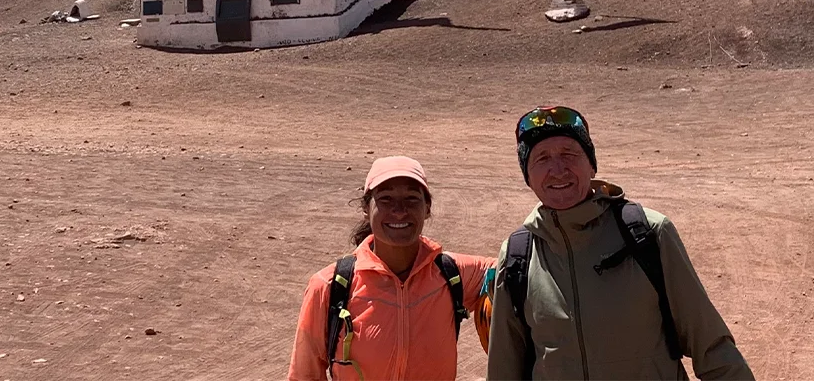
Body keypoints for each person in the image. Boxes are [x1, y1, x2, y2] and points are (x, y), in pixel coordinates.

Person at [487, 106, 754, 380]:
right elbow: (504, 369)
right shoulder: (518, 254)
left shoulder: (648, 233)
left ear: (591, 164)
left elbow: (712, 347)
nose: (558, 169)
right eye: (542, 158)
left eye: (569, 153)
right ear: (527, 176)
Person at [288, 156, 495, 380]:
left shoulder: (452, 274)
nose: (399, 210)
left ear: (427, 208)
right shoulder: (330, 287)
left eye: (412, 199)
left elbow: (513, 264)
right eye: (385, 199)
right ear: (366, 208)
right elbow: (304, 375)